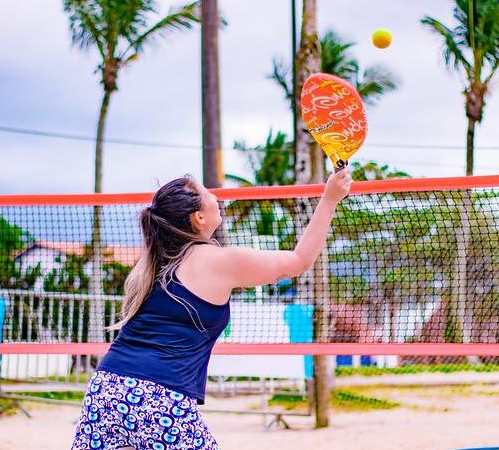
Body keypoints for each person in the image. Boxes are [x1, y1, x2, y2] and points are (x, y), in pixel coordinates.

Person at [71, 170, 352, 450]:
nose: (215, 195)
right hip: (158, 397)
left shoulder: (151, 265)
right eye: (206, 192)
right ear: (199, 217)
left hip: (106, 389)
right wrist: (329, 200)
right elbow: (300, 260)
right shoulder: (218, 261)